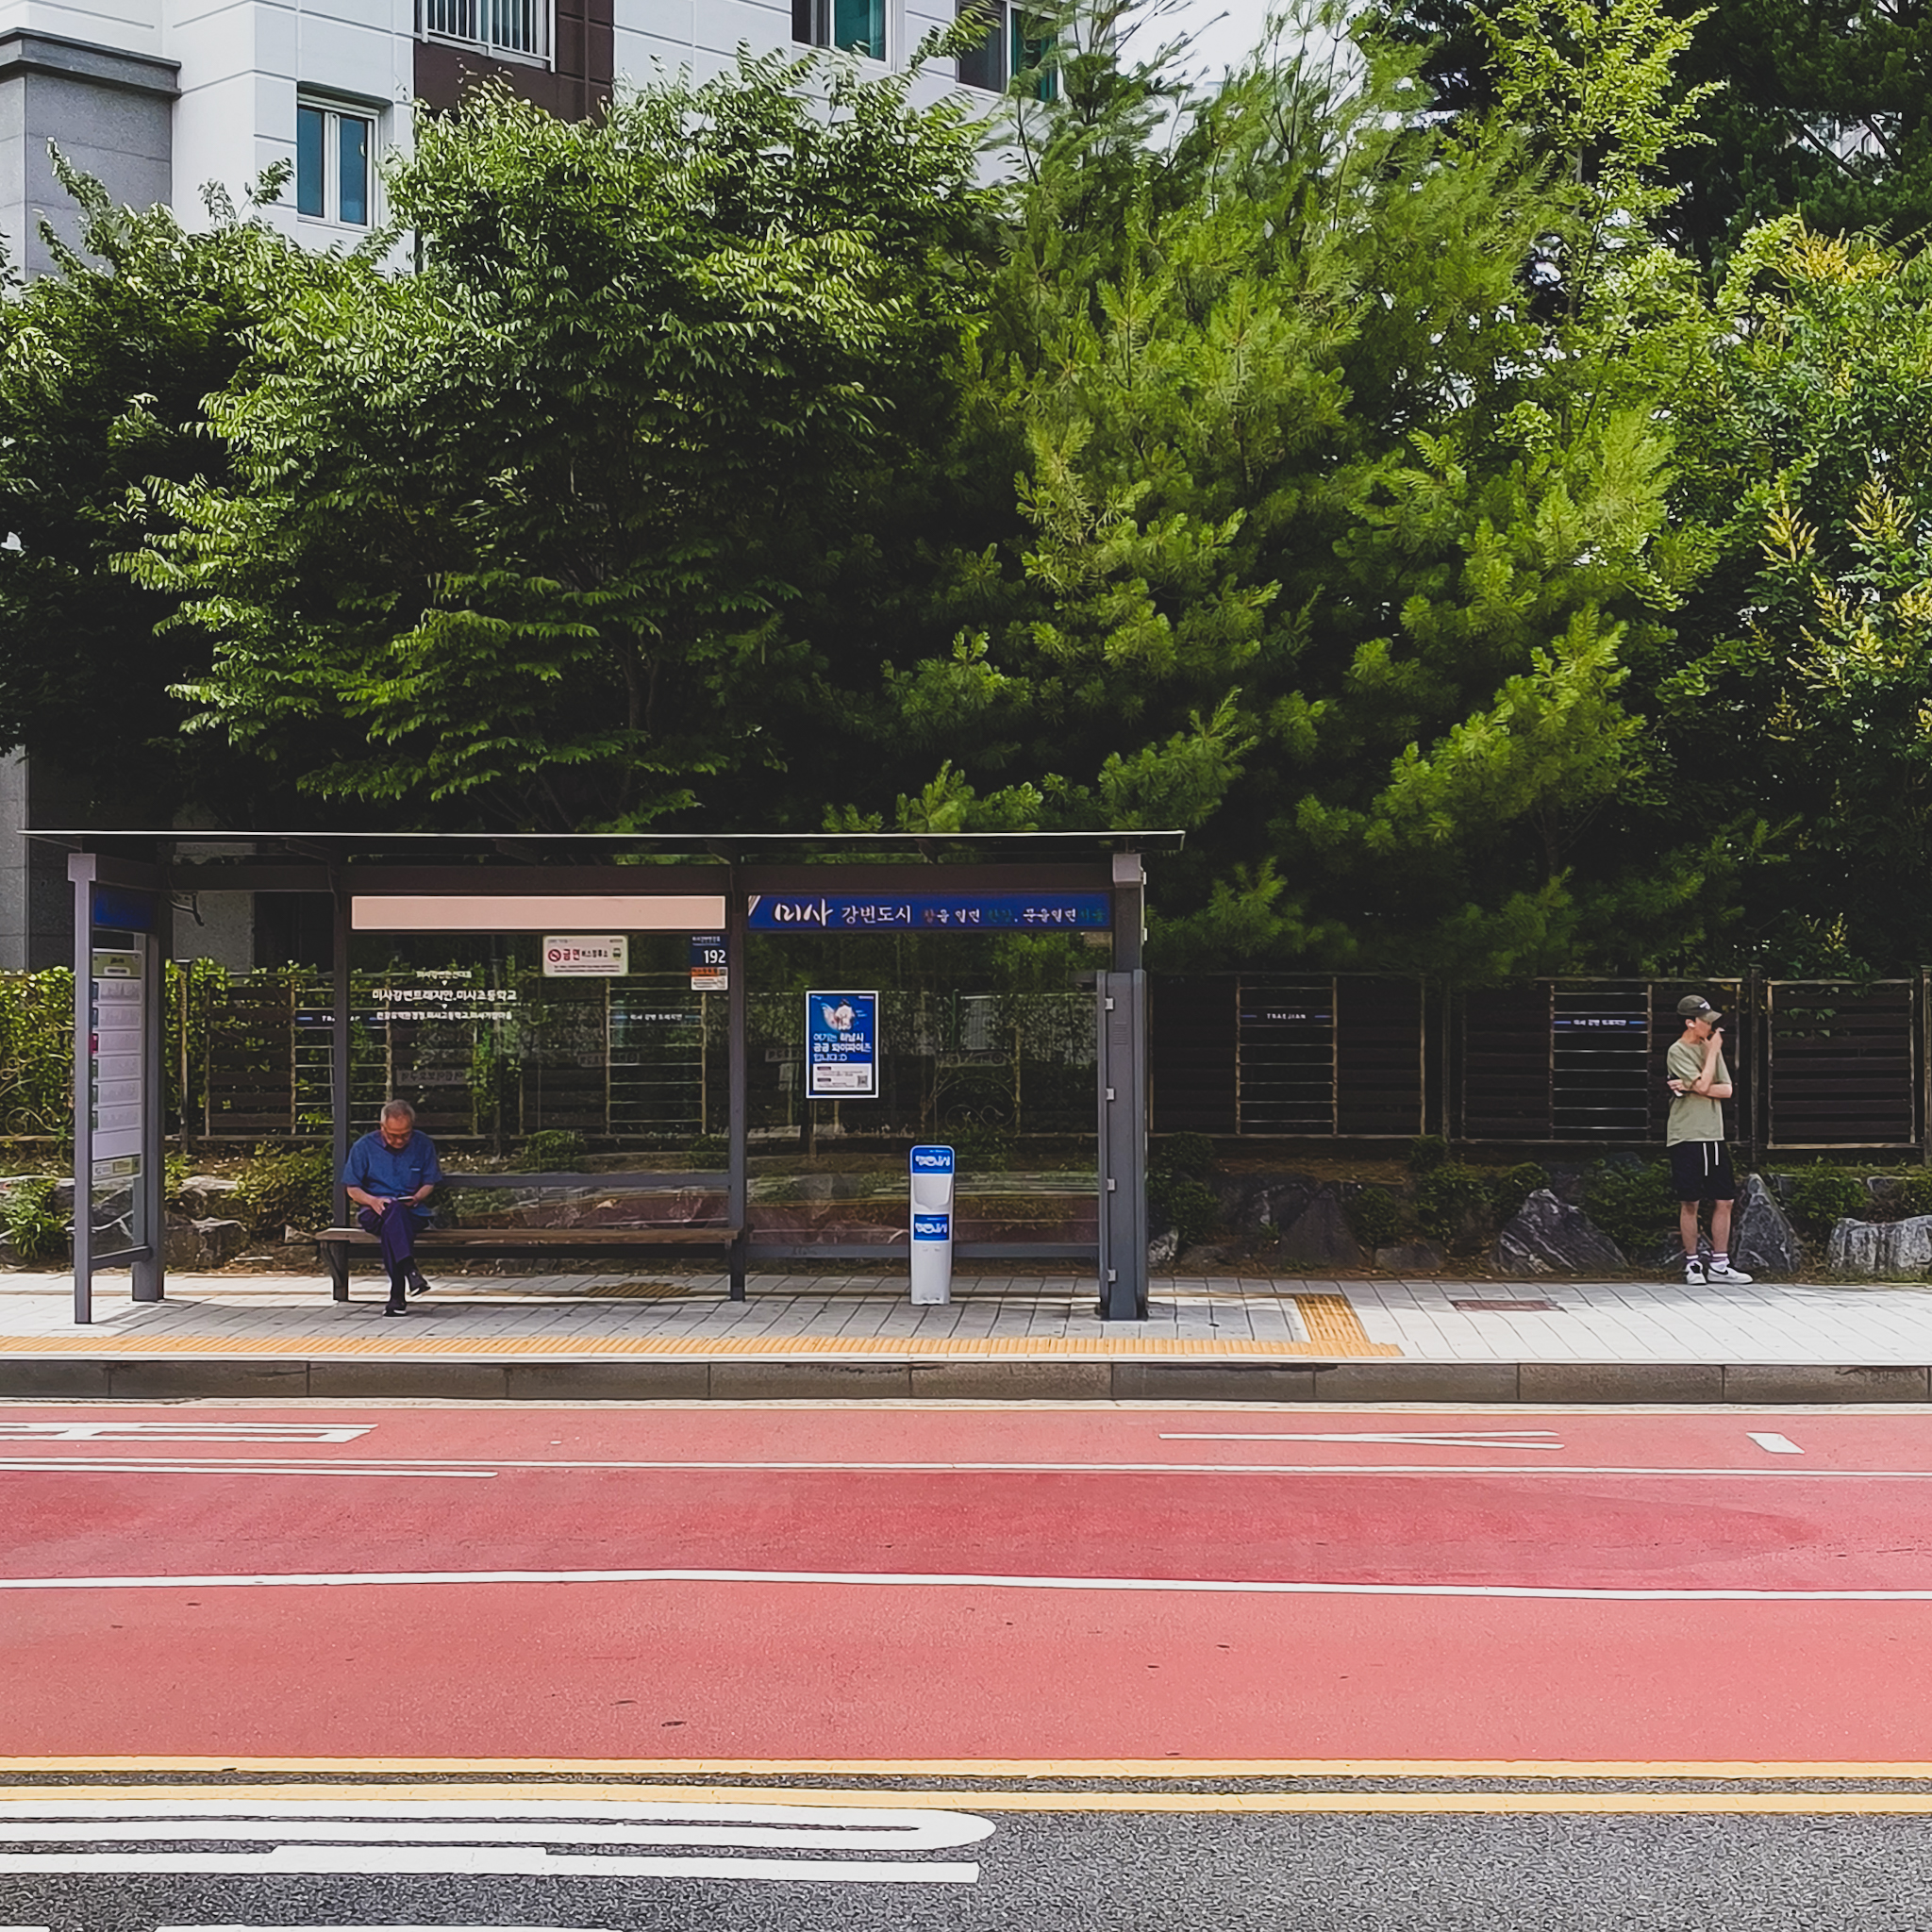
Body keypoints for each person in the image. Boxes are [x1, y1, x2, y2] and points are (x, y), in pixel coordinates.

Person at [1665, 995, 1753, 1286]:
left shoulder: (1709, 1047)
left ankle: (1720, 1263)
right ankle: (1692, 1263)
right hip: (1686, 1134)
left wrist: (1691, 1085)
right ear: (1690, 1022)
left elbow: (1726, 1090)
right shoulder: (1677, 1051)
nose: (1712, 1026)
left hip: (1714, 1135)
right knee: (1690, 1201)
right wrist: (1711, 1056)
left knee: (1724, 1199)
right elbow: (1704, 1084)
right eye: (1706, 1021)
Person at [341, 1099, 443, 1315]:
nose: (399, 1140)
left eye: (405, 1135)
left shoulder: (423, 1144)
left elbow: (429, 1182)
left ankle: (398, 1293)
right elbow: (352, 1188)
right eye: (393, 1135)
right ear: (381, 1127)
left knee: (395, 1217)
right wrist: (373, 1201)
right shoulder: (364, 1147)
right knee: (393, 1213)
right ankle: (409, 1271)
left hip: (412, 1211)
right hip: (374, 1211)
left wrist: (416, 1197)